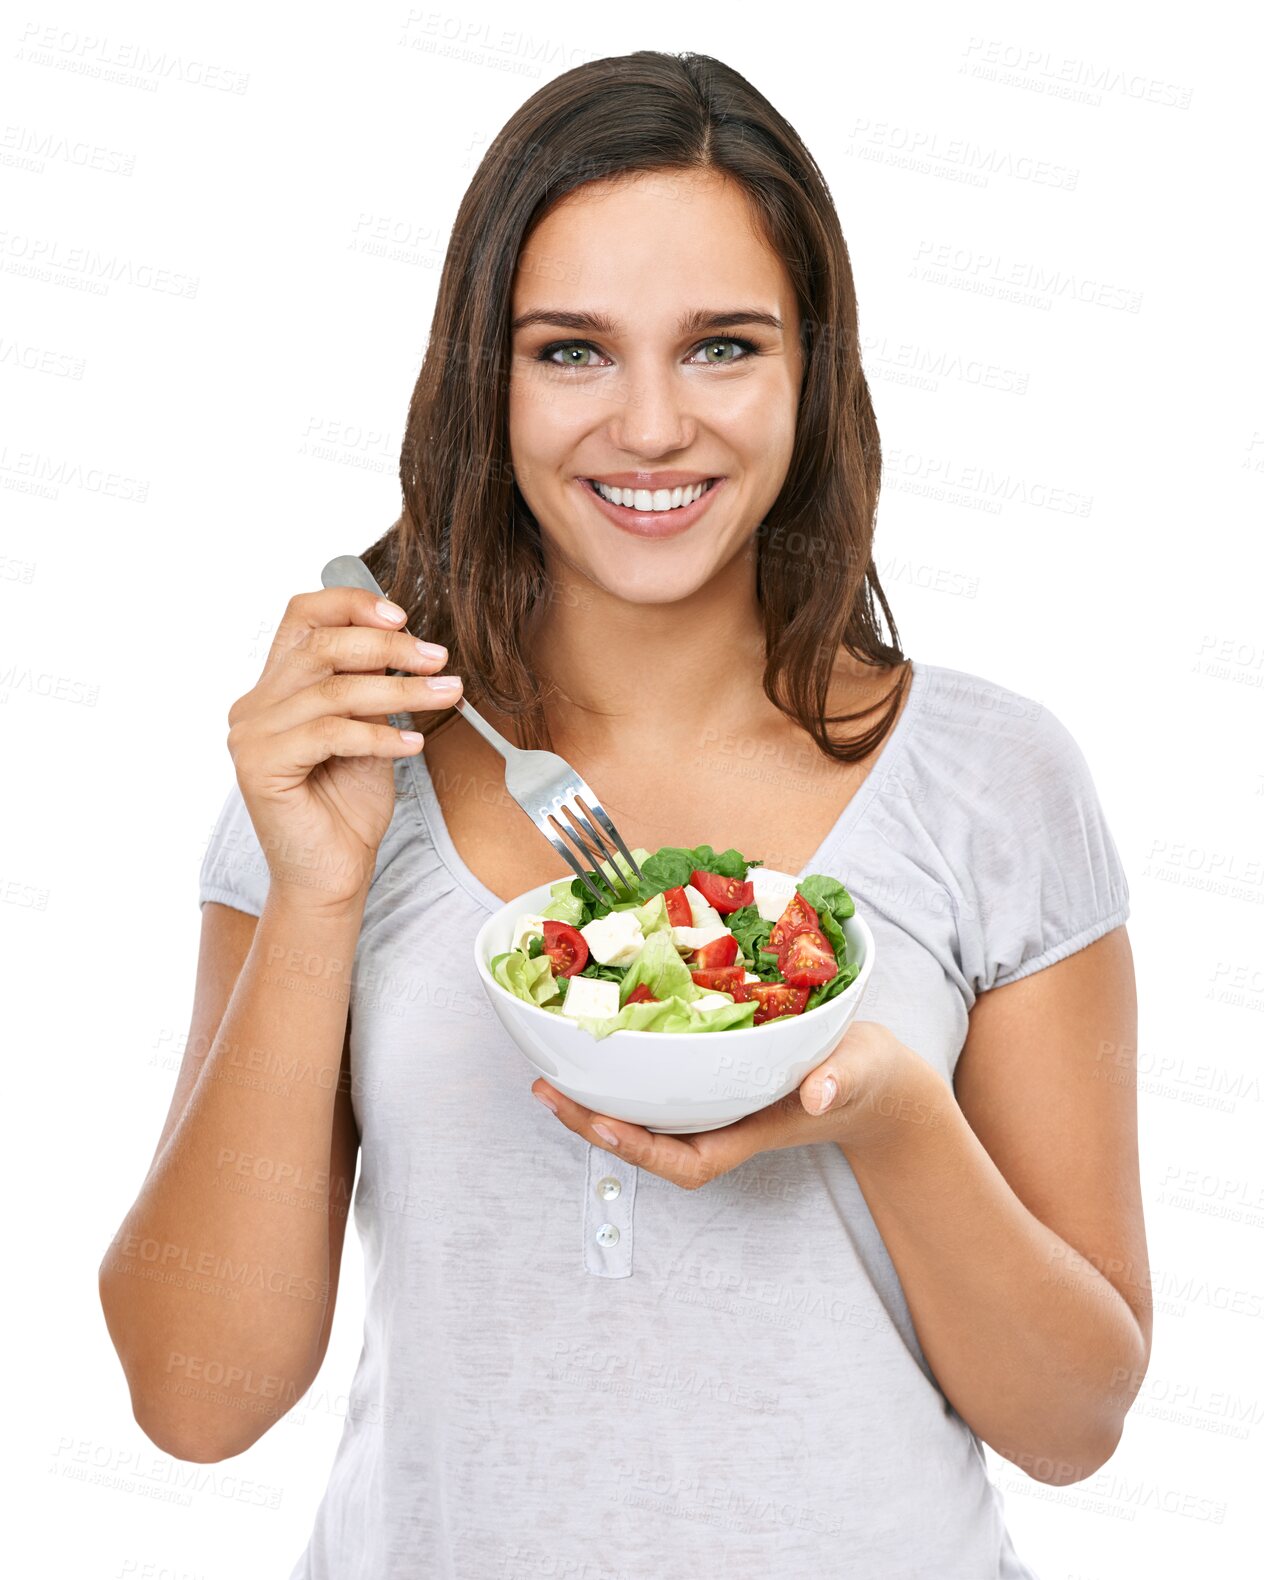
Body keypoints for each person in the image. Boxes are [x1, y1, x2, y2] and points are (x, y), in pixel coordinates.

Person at [98, 49, 1151, 1580]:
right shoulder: (342, 777)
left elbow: (1075, 1428)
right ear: (486, 377)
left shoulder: (997, 781)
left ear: (812, 370)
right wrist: (315, 888)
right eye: (572, 352)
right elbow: (195, 1404)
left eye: (722, 345)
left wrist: (887, 1115)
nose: (651, 426)